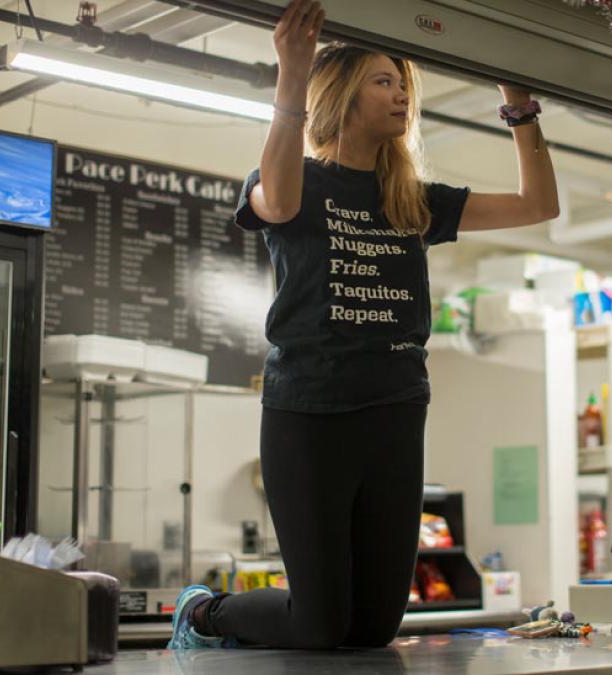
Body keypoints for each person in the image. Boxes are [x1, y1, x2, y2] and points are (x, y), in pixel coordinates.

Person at [169, 0, 558, 651]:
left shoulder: (413, 199)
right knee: (319, 624)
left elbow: (537, 204)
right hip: (309, 412)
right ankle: (206, 611)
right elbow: (281, 199)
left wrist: (518, 103)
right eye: (385, 80)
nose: (402, 92)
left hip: (395, 413)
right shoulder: (297, 180)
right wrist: (291, 73)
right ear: (345, 95)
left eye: (404, 82)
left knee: (376, 627)